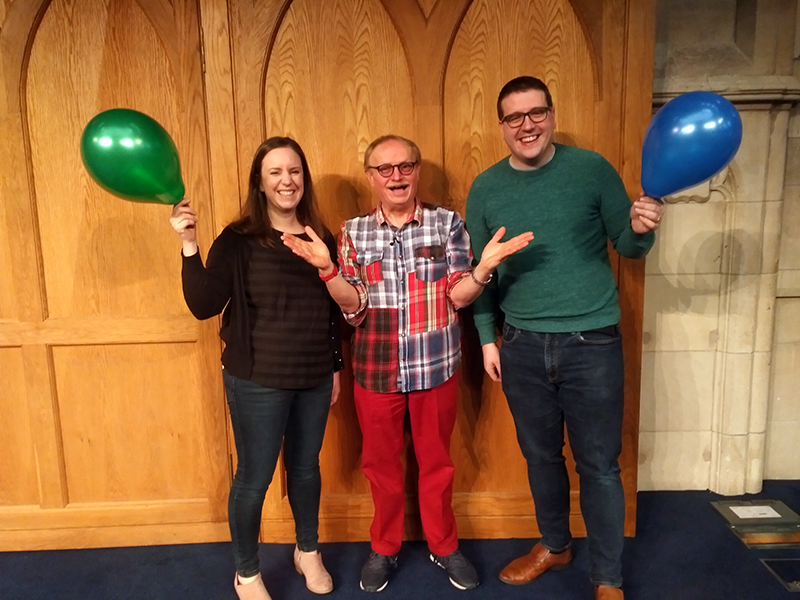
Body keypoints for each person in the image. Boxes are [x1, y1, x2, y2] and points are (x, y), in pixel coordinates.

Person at [282, 134, 532, 593]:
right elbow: (353, 306)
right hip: (375, 370)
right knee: (380, 466)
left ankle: (444, 544)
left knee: (437, 464)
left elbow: (458, 295)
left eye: (405, 166)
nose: (396, 176)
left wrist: (482, 270)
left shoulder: (447, 224)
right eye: (385, 169)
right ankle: (384, 547)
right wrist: (328, 270)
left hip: (435, 366)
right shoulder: (354, 232)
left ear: (417, 171)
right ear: (371, 177)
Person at [465, 76, 665, 600]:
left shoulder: (591, 169)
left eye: (536, 113)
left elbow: (627, 245)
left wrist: (643, 227)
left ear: (552, 115)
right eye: (514, 117)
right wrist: (487, 337)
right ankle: (555, 545)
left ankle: (608, 578)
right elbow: (480, 269)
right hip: (521, 345)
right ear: (502, 126)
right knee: (541, 457)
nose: (527, 125)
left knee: (599, 465)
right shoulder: (485, 187)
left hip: (591, 343)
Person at [170, 137, 345, 600]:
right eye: (275, 172)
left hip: (313, 376)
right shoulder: (239, 240)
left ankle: (307, 551)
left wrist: (335, 367)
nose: (287, 181)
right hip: (256, 380)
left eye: (294, 171)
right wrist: (189, 244)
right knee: (255, 477)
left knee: (305, 469)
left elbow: (330, 310)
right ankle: (246, 574)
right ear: (260, 183)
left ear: (304, 179)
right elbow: (204, 304)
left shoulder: (319, 236)